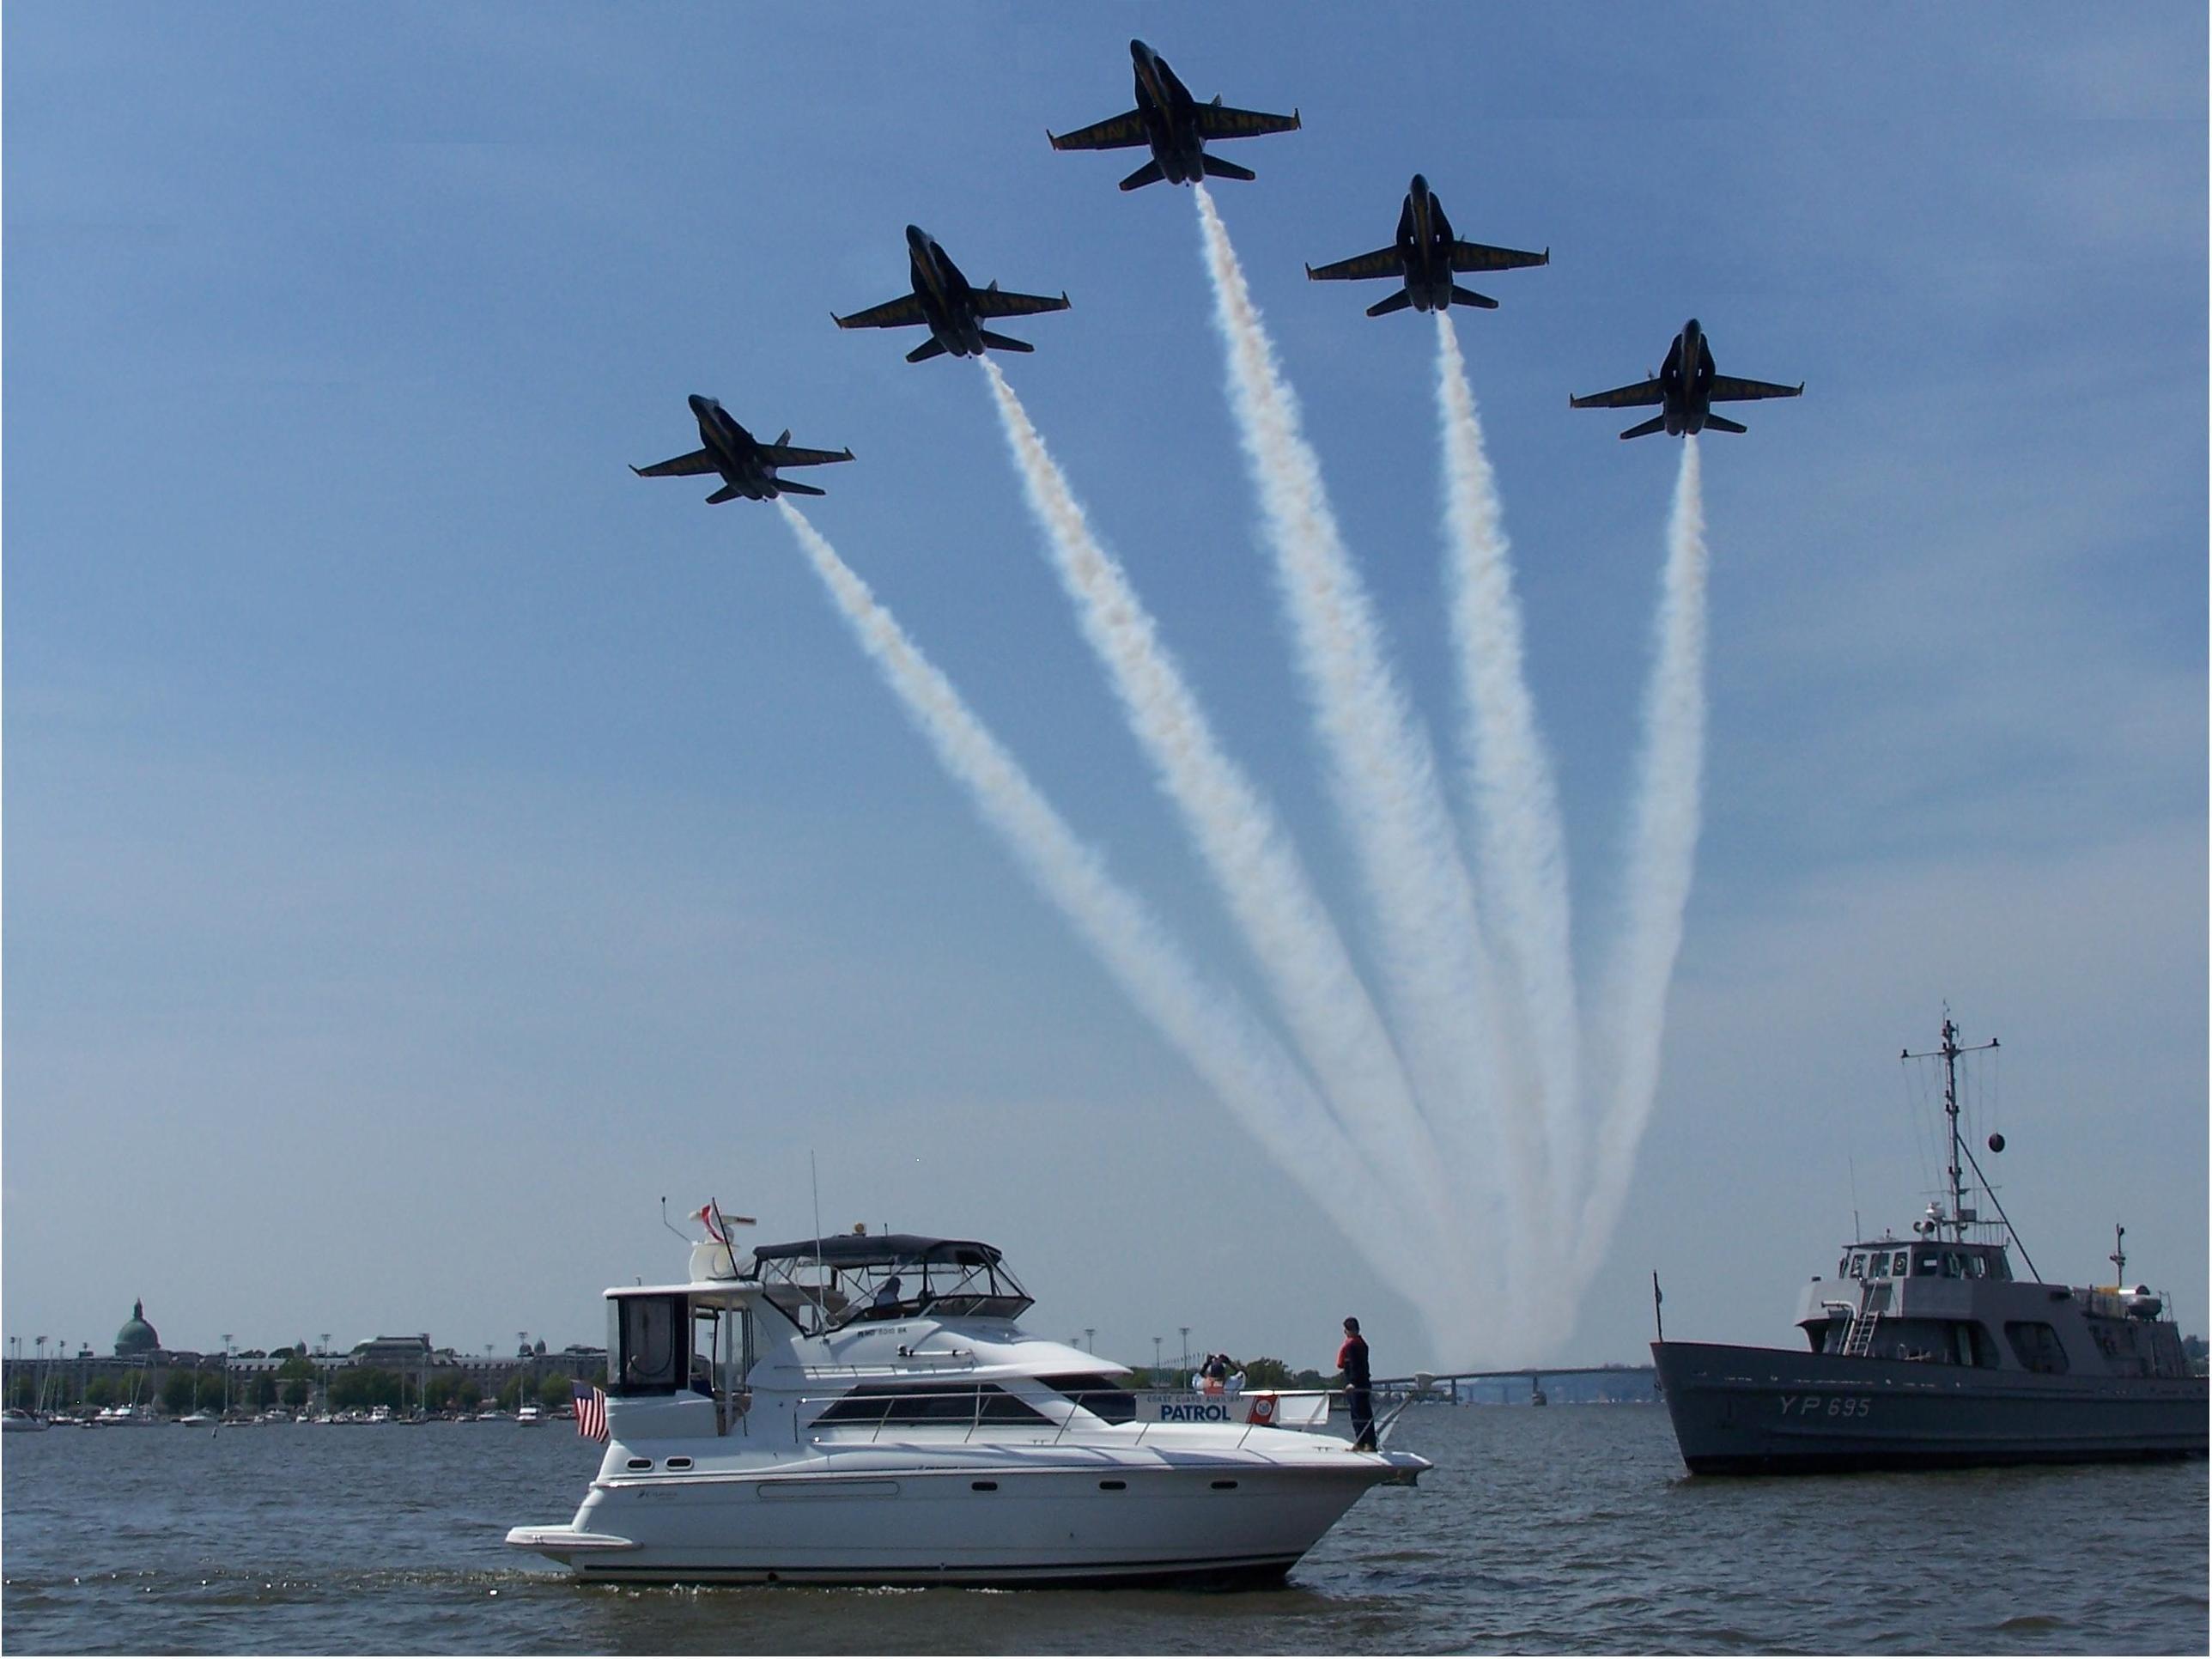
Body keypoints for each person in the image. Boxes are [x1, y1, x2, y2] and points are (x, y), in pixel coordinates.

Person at [1337, 1316, 1374, 1450]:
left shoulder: (1354, 1345)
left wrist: (1352, 1382)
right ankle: (1360, 1442)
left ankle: (1369, 1443)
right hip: (1359, 1384)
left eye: (1346, 1330)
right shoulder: (1360, 1344)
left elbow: (1356, 1366)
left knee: (1362, 1414)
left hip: (1358, 1385)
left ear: (1349, 1330)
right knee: (1356, 1414)